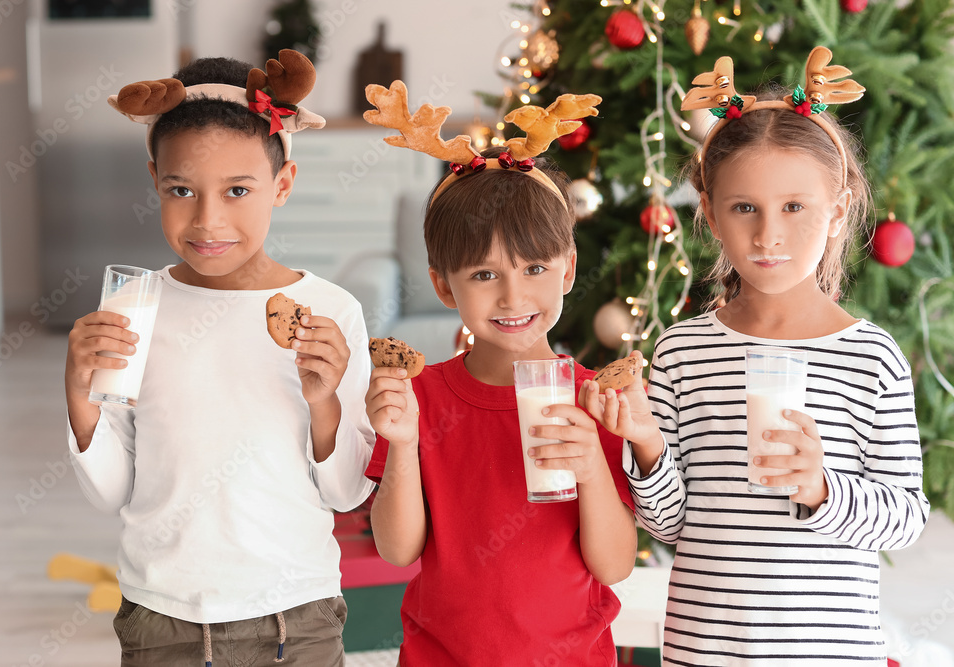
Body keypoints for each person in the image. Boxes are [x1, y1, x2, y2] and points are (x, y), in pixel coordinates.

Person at [588, 47, 930, 666]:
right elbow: (666, 524)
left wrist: (825, 488)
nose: (768, 235)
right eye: (745, 208)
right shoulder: (682, 352)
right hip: (704, 651)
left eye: (794, 208)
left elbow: (905, 519)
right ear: (712, 214)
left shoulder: (871, 357)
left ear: (837, 210)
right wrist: (645, 444)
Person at [63, 51, 375, 666]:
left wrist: (324, 403)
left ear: (282, 185)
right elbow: (111, 492)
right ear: (154, 179)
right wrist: (78, 392)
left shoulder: (329, 313)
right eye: (182, 190)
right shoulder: (132, 309)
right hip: (163, 621)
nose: (208, 221)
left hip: (297, 619)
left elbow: (344, 494)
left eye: (238, 190)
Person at [361, 81, 660, 666]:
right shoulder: (420, 397)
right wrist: (400, 447)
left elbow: (615, 564)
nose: (513, 294)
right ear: (445, 284)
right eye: (482, 275)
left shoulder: (597, 399)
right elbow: (398, 551)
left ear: (568, 269)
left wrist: (594, 468)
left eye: (534, 267)